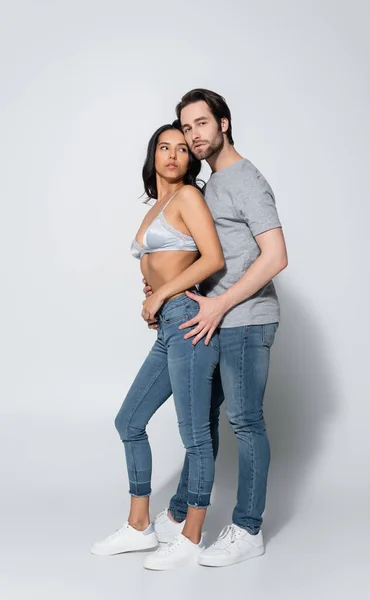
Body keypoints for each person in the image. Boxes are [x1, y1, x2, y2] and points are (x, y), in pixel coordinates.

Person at [144, 89, 288, 567]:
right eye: (186, 128)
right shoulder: (210, 184)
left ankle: (248, 528)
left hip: (245, 321)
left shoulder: (245, 179)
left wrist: (219, 302)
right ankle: (182, 512)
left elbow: (276, 256)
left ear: (224, 123)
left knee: (245, 422)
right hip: (213, 319)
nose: (193, 135)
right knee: (201, 422)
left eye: (202, 124)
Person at [91, 121, 224, 570]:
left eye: (182, 149)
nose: (172, 155)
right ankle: (139, 526)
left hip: (189, 321)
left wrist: (164, 294)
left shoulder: (188, 196)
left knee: (195, 435)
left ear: (191, 159)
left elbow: (213, 258)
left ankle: (190, 536)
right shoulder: (157, 205)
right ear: (153, 157)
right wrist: (153, 296)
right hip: (168, 323)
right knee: (129, 420)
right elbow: (161, 262)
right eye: (164, 148)